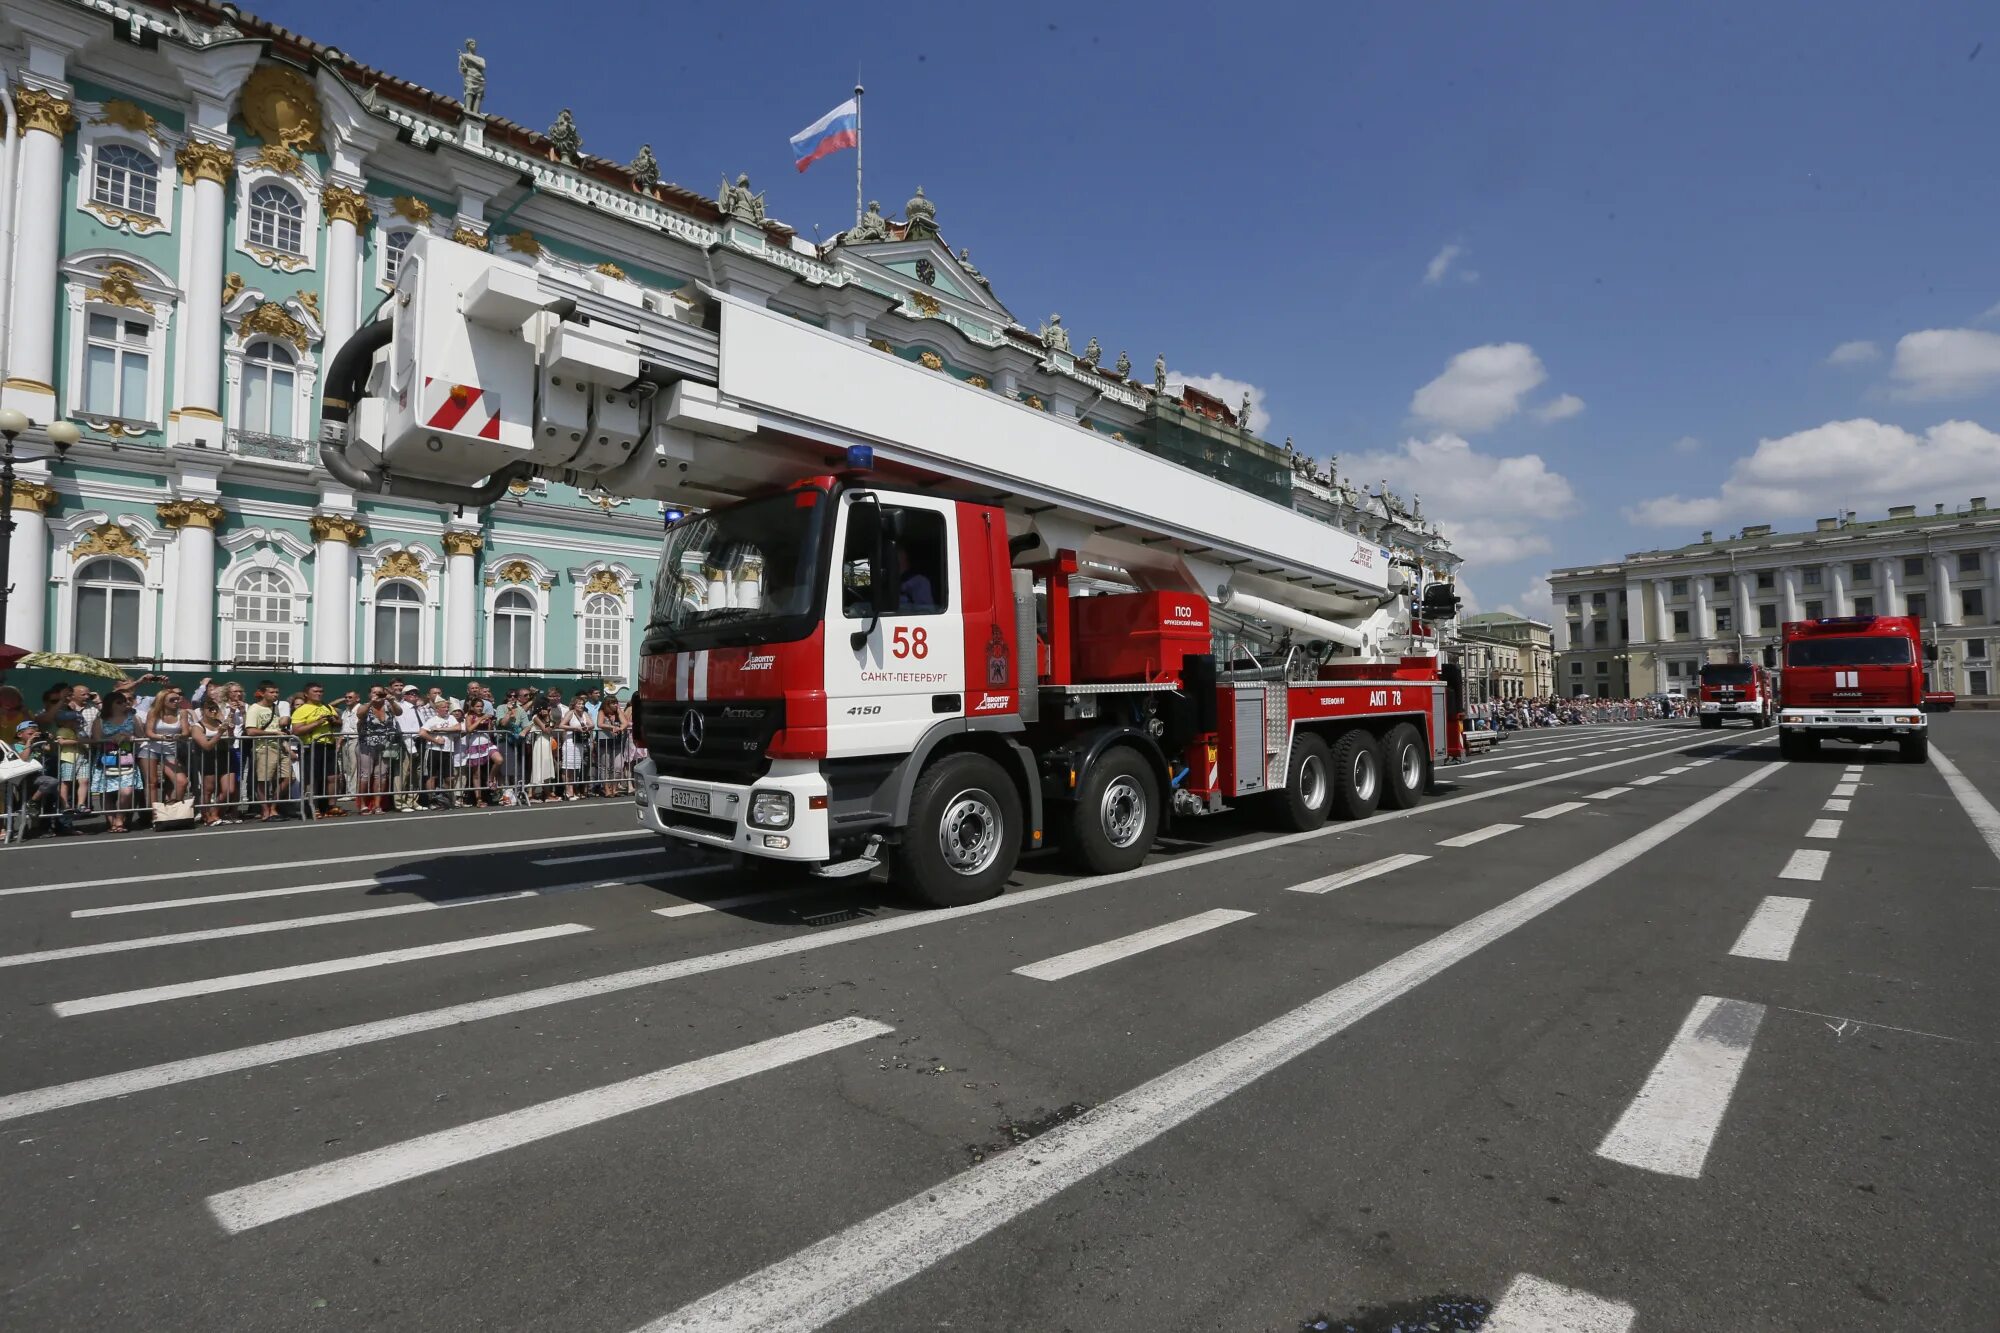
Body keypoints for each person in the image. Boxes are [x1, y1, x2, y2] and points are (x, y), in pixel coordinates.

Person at [288, 681, 343, 818]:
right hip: (311, 746)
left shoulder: (327, 706)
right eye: (315, 691)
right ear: (307, 694)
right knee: (312, 779)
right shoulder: (301, 709)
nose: (319, 694)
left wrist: (332, 720)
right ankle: (313, 806)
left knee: (333, 777)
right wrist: (317, 723)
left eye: (321, 691)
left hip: (328, 745)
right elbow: (297, 730)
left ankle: (331, 806)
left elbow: (340, 723)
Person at [89, 690, 140, 833]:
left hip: (127, 759)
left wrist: (128, 736)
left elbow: (141, 736)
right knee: (107, 793)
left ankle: (120, 817)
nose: (124, 704)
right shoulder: (100, 720)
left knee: (127, 791)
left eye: (125, 701)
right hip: (107, 759)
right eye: (119, 702)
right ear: (109, 704)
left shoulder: (132, 718)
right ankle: (113, 823)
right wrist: (112, 738)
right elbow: (97, 739)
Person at [242, 680, 286, 821]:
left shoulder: (275, 707)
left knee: (288, 778)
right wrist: (273, 733)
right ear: (262, 693)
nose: (275, 695)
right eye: (271, 692)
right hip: (264, 747)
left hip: (279, 746)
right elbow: (250, 731)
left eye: (277, 692)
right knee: (263, 781)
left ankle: (273, 807)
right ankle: (265, 811)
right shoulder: (254, 708)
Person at [186, 696, 230, 825]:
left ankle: (215, 812)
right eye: (210, 709)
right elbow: (206, 746)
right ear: (202, 710)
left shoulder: (220, 723)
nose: (213, 711)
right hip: (207, 758)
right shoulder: (197, 727)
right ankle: (207, 815)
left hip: (223, 756)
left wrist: (229, 731)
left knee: (228, 789)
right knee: (208, 789)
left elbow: (231, 741)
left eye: (215, 709)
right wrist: (219, 734)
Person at [355, 687, 400, 814]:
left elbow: (399, 712)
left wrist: (392, 701)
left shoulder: (388, 706)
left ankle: (377, 805)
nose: (378, 695)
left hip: (385, 745)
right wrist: (371, 702)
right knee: (365, 775)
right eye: (374, 692)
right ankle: (363, 804)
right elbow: (360, 714)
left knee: (381, 776)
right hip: (366, 746)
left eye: (380, 692)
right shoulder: (365, 706)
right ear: (370, 694)